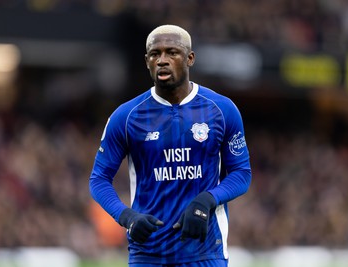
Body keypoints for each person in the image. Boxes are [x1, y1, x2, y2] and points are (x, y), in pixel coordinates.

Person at [89, 24, 252, 267]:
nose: (162, 60)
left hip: (206, 252)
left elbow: (241, 173)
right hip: (148, 254)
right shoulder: (126, 117)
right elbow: (98, 179)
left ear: (190, 58)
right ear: (147, 61)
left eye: (172, 52)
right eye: (155, 54)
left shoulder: (222, 110)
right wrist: (127, 216)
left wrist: (207, 199)